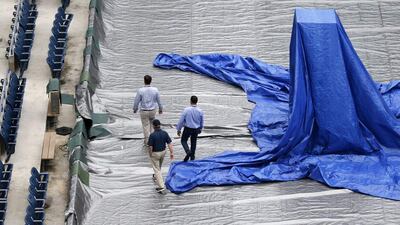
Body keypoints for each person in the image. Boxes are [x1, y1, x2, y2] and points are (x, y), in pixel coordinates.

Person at [133, 75, 163, 145]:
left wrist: (135, 108)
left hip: (144, 111)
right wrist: (160, 108)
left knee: (145, 127)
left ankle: (147, 142)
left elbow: (136, 101)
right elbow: (159, 100)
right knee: (152, 126)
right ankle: (153, 140)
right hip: (152, 110)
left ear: (144, 81)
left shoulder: (140, 90)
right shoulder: (155, 90)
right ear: (151, 81)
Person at [148, 119, 174, 194]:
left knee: (157, 169)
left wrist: (150, 154)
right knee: (159, 166)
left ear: (153, 126)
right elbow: (169, 143)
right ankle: (156, 177)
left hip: (155, 153)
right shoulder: (165, 133)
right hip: (163, 152)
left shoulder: (152, 135)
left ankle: (161, 186)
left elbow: (150, 147)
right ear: (160, 125)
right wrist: (171, 153)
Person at [176, 96, 204, 161]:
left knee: (183, 140)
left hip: (188, 128)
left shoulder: (186, 110)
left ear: (190, 101)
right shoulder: (200, 111)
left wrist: (179, 129)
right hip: (196, 129)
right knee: (193, 142)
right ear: (197, 102)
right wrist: (200, 128)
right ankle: (192, 157)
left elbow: (181, 120)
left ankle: (188, 151)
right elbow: (202, 121)